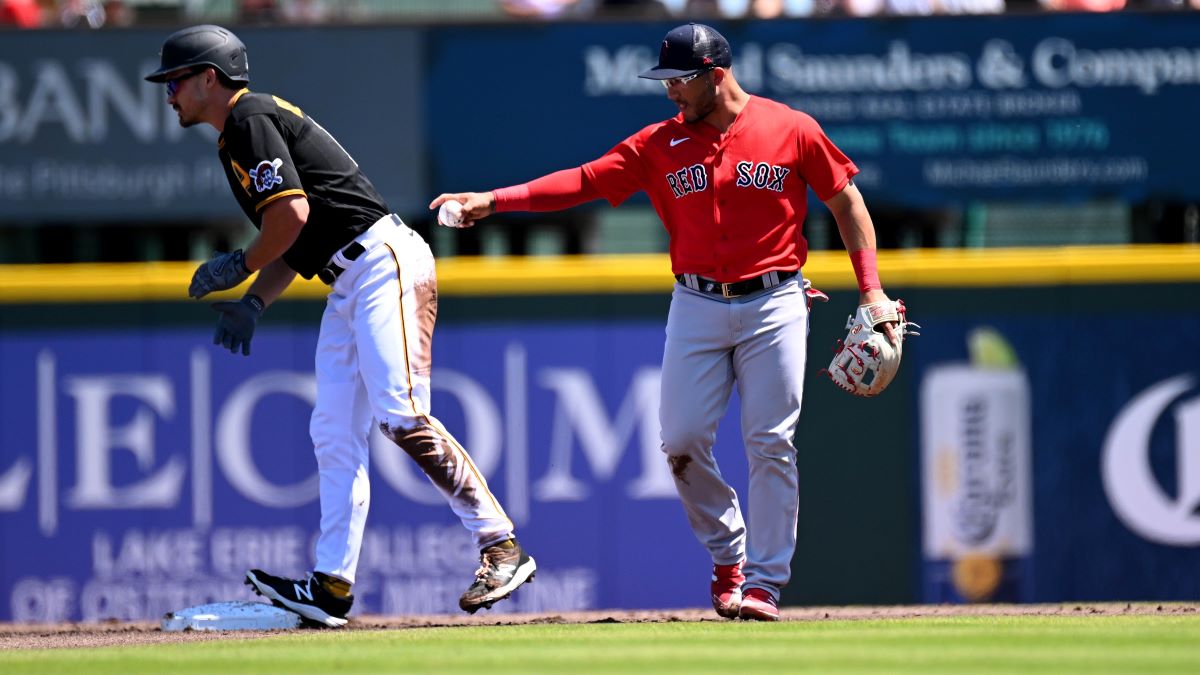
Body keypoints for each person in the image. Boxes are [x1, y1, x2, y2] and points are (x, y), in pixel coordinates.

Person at [430, 22, 898, 621]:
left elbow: (847, 202)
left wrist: (872, 291)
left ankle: (764, 582)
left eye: (680, 80)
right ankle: (728, 551)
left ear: (717, 76)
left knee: (771, 442)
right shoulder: (659, 144)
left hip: (775, 300)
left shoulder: (791, 128)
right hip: (697, 303)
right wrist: (492, 201)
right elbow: (582, 181)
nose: (670, 92)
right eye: (667, 80)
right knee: (680, 441)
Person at [145, 24, 536, 627]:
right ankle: (331, 586)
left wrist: (236, 265)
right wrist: (254, 302)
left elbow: (291, 215)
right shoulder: (237, 135)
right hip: (347, 275)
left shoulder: (248, 118)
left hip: (383, 262)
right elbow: (295, 236)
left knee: (401, 414)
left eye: (175, 80)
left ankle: (501, 546)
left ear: (209, 78)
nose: (168, 92)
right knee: (332, 431)